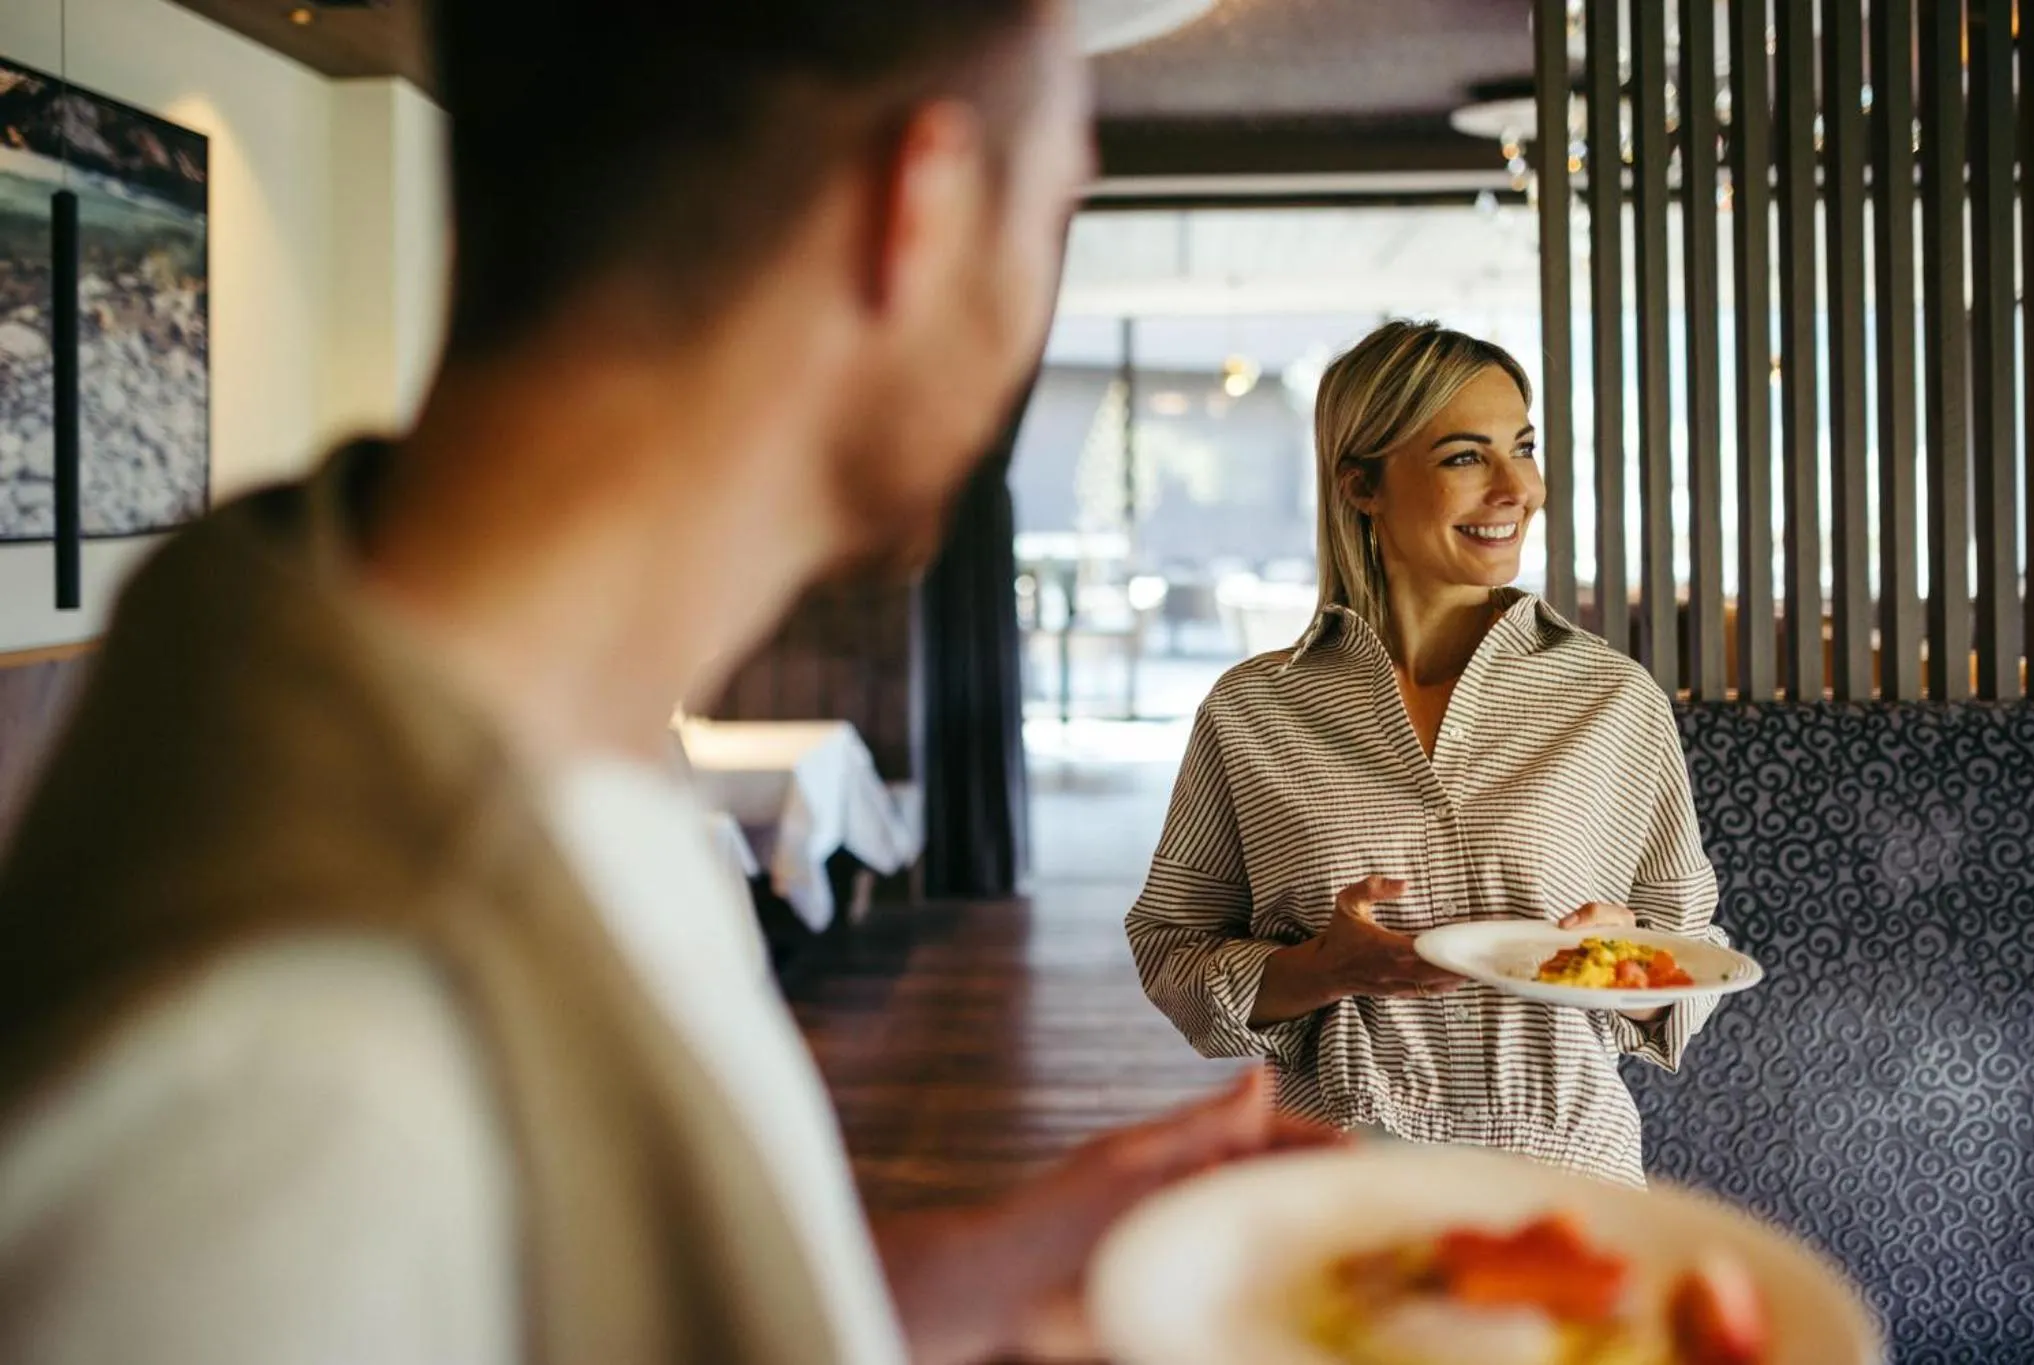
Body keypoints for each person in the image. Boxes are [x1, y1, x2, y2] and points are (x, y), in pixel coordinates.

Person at [0, 5, 1337, 1363]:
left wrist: (963, 1282)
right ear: (919, 212)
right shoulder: (294, 1085)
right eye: (1054, 212)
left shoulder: (548, 761)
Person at [1126, 319, 1726, 1188]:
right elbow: (1172, 952)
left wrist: (1628, 955)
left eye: (1523, 447)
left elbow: (1690, 958)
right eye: (1465, 456)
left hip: (1568, 1166)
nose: (1519, 487)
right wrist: (1321, 968)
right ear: (1361, 484)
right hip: (1339, 1169)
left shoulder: (1613, 699)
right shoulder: (1254, 710)